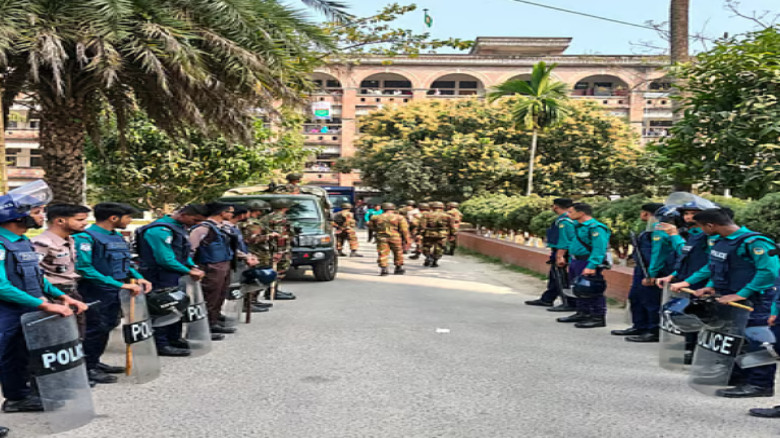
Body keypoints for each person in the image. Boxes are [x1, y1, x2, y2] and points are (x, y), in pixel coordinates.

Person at [671, 208, 780, 398]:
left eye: (700, 226)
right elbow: (715, 266)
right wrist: (711, 285)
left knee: (757, 341)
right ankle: (737, 376)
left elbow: (769, 272)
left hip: (755, 300)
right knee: (736, 338)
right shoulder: (722, 242)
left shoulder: (755, 242)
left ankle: (760, 384)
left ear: (710, 225)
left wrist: (741, 293)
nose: (700, 230)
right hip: (731, 297)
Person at [0, 181, 87, 413]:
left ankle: (18, 398)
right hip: (5, 313)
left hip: (25, 312)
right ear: (16, 217)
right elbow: (2, 287)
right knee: (5, 356)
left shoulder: (22, 242)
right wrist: (44, 305)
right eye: (36, 211)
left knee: (18, 358)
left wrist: (62, 297)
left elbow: (38, 278)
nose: (42, 216)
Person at [73, 202, 152, 384]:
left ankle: (95, 360)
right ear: (113, 218)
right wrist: (118, 284)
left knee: (107, 326)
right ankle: (87, 367)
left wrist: (138, 277)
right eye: (128, 217)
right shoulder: (85, 237)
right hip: (95, 291)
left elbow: (126, 262)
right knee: (94, 328)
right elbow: (85, 268)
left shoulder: (116, 237)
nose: (130, 221)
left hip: (115, 290)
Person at [136, 204, 208, 356]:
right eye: (195, 220)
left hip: (174, 274)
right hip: (158, 274)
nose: (196, 224)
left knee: (177, 305)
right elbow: (165, 258)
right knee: (163, 307)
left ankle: (174, 338)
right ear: (183, 214)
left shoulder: (179, 227)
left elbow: (183, 251)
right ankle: (161, 343)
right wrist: (188, 270)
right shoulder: (159, 230)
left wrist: (191, 266)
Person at [31, 204, 91, 339]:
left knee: (77, 336)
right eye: (80, 220)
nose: (85, 223)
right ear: (60, 221)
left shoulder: (70, 240)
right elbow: (32, 273)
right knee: (59, 338)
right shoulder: (42, 243)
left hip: (71, 292)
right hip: (53, 295)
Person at [611, 203, 668, 342]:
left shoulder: (659, 231)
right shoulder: (647, 230)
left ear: (646, 213)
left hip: (651, 270)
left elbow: (657, 255)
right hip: (640, 269)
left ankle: (653, 330)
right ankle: (639, 325)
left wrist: (651, 274)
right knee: (636, 297)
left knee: (650, 300)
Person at [556, 203, 611, 329]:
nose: (568, 215)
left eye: (571, 212)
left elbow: (599, 248)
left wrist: (592, 265)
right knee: (578, 289)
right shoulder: (578, 226)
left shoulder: (596, 228)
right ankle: (583, 312)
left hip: (587, 261)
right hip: (576, 261)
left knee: (591, 289)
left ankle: (597, 316)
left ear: (581, 213)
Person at [189, 202, 237, 337]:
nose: (232, 214)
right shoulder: (202, 228)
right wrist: (192, 267)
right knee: (209, 296)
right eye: (229, 211)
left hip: (223, 264)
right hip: (211, 266)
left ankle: (214, 322)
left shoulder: (222, 227)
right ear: (222, 212)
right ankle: (204, 327)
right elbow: (191, 249)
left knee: (219, 295)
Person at [525, 198, 576, 310]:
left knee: (562, 279)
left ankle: (568, 303)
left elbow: (565, 240)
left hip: (564, 253)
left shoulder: (565, 221)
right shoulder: (569, 219)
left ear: (556, 207)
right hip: (562, 251)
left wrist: (560, 256)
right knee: (554, 277)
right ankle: (547, 299)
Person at [237, 200, 274, 313]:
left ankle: (254, 300)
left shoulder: (249, 222)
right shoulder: (252, 223)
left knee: (259, 278)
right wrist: (269, 236)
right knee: (256, 279)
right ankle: (249, 302)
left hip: (257, 253)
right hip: (256, 253)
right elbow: (251, 239)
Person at [258, 199, 297, 300]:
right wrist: (279, 252)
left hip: (268, 247)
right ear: (285, 207)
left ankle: (273, 290)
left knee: (275, 269)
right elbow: (280, 236)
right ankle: (272, 292)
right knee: (280, 269)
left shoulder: (267, 217)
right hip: (277, 248)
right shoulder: (279, 218)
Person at [368, 203, 409, 276]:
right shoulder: (400, 217)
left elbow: (371, 227)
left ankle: (384, 268)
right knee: (398, 252)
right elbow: (404, 230)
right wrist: (406, 239)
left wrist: (372, 236)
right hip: (395, 237)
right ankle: (398, 267)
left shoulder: (375, 217)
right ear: (393, 208)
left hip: (381, 237)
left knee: (382, 252)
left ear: (382, 208)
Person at [419, 201, 456, 268]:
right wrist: (452, 235)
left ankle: (428, 257)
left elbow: (422, 226)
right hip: (442, 234)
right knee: (439, 248)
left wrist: (420, 233)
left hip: (428, 234)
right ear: (442, 207)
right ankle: (435, 261)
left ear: (432, 207)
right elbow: (452, 227)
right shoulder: (448, 216)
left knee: (426, 247)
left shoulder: (426, 215)